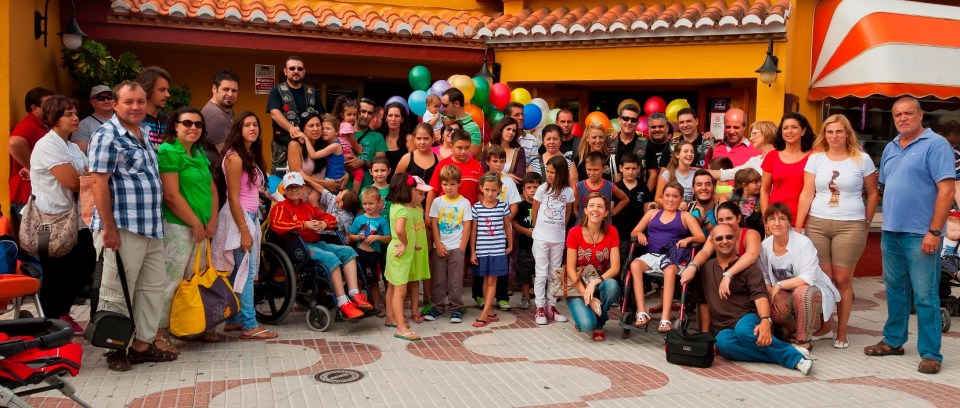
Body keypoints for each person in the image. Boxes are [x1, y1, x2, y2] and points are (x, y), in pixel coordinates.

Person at [88, 81, 176, 371]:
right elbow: (98, 183)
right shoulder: (107, 135)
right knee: (116, 290)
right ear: (115, 105)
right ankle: (115, 348)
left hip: (150, 226)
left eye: (140, 101)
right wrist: (108, 228)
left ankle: (142, 345)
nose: (136, 107)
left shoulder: (144, 133)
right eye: (129, 102)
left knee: (151, 289)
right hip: (122, 227)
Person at [866, 97, 955, 375]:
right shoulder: (891, 146)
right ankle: (894, 340)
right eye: (897, 115)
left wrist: (935, 231)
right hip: (891, 230)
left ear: (920, 115)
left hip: (921, 233)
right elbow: (885, 185)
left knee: (925, 294)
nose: (903, 118)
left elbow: (947, 191)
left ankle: (930, 353)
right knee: (895, 289)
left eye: (908, 113)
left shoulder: (936, 145)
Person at [795, 114, 879, 349]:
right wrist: (799, 226)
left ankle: (842, 331)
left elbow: (873, 193)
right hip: (818, 223)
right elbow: (806, 193)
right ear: (825, 134)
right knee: (823, 279)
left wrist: (867, 222)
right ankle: (825, 327)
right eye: (830, 132)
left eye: (839, 131)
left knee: (842, 280)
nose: (834, 136)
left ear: (847, 134)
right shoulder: (816, 158)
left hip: (850, 224)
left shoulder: (861, 159)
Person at [698, 223, 813, 375]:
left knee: (743, 330)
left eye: (729, 237)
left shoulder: (749, 267)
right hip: (725, 327)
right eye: (719, 238)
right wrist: (705, 334)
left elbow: (760, 297)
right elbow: (704, 303)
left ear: (736, 239)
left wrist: (765, 320)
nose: (724, 241)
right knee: (723, 344)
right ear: (712, 242)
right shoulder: (706, 268)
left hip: (749, 319)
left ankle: (797, 359)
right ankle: (787, 351)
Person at [30, 95, 95, 334]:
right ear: (53, 118)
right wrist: (87, 177)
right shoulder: (47, 145)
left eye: (75, 113)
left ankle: (61, 312)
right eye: (68, 114)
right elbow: (73, 182)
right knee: (55, 271)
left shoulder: (71, 146)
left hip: (76, 219)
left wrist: (85, 176)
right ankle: (50, 321)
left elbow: (86, 174)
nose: (75, 118)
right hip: (49, 220)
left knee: (84, 264)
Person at [157, 106, 220, 349]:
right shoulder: (168, 151)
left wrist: (212, 221)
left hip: (201, 228)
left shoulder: (198, 152)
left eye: (198, 124)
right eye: (187, 123)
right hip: (179, 227)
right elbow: (171, 195)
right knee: (171, 282)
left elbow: (211, 188)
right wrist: (195, 223)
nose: (193, 127)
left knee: (195, 279)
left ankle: (194, 326)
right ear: (175, 126)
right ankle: (160, 333)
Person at [270, 172, 373, 320]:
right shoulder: (280, 208)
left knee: (348, 251)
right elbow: (277, 225)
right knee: (330, 257)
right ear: (284, 190)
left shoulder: (308, 207)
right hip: (298, 247)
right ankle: (342, 302)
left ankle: (354, 293)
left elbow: (332, 219)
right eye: (290, 188)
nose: (293, 190)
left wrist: (324, 224)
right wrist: (304, 224)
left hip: (316, 244)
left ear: (303, 189)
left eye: (296, 187)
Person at [210, 111, 275, 341]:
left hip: (249, 216)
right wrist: (245, 231)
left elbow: (249, 189)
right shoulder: (235, 157)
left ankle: (233, 320)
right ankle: (249, 325)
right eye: (246, 125)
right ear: (238, 129)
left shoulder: (248, 155)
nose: (252, 128)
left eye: (255, 124)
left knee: (239, 271)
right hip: (240, 218)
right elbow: (233, 198)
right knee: (246, 274)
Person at [758, 203, 840, 352]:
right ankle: (794, 329)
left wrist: (779, 286)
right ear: (766, 224)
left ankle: (804, 340)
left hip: (813, 291)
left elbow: (809, 276)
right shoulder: (764, 246)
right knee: (774, 310)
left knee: (801, 292)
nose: (777, 223)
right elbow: (764, 276)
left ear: (789, 223)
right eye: (772, 219)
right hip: (784, 291)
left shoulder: (803, 243)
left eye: (782, 219)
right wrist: (772, 292)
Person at [629, 182, 705, 332]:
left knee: (669, 271)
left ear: (681, 199)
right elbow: (634, 232)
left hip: (673, 257)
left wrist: (688, 239)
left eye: (675, 196)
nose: (670, 199)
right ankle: (642, 312)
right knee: (635, 265)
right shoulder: (652, 213)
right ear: (662, 197)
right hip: (652, 255)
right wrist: (640, 234)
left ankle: (665, 319)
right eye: (667, 195)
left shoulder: (685, 216)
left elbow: (701, 237)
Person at [681, 201, 763, 332]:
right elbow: (705, 251)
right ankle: (705, 333)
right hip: (726, 283)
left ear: (738, 218)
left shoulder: (750, 233)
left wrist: (728, 274)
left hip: (749, 283)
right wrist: (693, 266)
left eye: (729, 218)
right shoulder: (717, 233)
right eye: (721, 220)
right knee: (702, 274)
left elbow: (751, 256)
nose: (725, 223)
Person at [565, 192, 622, 341]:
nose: (595, 210)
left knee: (612, 286)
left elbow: (615, 268)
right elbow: (570, 268)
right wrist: (587, 295)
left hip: (600, 284)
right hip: (578, 285)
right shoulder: (574, 232)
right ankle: (588, 315)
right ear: (585, 210)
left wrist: (595, 282)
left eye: (600, 206)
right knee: (586, 325)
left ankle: (599, 323)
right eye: (591, 206)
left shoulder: (612, 231)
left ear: (606, 212)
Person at [384, 173, 432, 341]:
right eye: (413, 189)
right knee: (400, 291)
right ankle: (401, 328)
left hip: (395, 251)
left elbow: (406, 231)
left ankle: (390, 317)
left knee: (392, 286)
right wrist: (405, 244)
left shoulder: (395, 206)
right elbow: (399, 230)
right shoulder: (403, 210)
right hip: (401, 255)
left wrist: (412, 244)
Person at [476, 145, 522, 311]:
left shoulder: (508, 181)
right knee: (482, 268)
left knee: (502, 266)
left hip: (502, 232)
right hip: (485, 233)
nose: (499, 164)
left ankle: (501, 297)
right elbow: (479, 201)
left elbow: (514, 204)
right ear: (487, 161)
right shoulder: (483, 180)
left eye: (502, 161)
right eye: (495, 161)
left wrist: (504, 220)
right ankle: (480, 296)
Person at [426, 165, 473, 323]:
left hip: (456, 248)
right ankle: (437, 307)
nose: (448, 187)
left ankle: (456, 308)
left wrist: (461, 248)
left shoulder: (464, 203)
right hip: (440, 247)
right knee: (439, 280)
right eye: (445, 184)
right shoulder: (437, 202)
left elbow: (467, 225)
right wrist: (438, 244)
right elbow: (434, 224)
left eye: (452, 184)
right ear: (441, 184)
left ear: (459, 183)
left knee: (455, 281)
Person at [531, 156, 574, 325]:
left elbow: (567, 214)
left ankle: (551, 306)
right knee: (541, 273)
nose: (549, 175)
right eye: (547, 171)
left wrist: (559, 230)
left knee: (554, 273)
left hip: (558, 238)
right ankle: (540, 307)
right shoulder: (542, 189)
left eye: (553, 172)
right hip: (541, 237)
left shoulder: (568, 192)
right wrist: (538, 229)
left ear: (561, 173)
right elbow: (535, 211)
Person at [470, 173, 513, 327]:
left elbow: (507, 227)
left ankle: (484, 315)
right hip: (482, 250)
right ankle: (489, 311)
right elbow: (473, 231)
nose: (490, 193)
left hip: (497, 250)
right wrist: (473, 252)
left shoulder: (503, 206)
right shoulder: (476, 208)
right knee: (485, 279)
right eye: (487, 190)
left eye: (494, 190)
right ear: (481, 188)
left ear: (499, 189)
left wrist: (510, 245)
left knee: (492, 280)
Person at [8, 87, 54, 229]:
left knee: (45, 238)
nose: (53, 108)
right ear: (34, 108)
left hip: (39, 195)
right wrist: (34, 169)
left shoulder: (44, 125)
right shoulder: (28, 125)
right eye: (48, 105)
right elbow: (14, 143)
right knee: (37, 239)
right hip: (27, 195)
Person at [266, 56, 323, 171]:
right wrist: (291, 128)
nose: (296, 71)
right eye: (292, 68)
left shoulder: (311, 92)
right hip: (283, 145)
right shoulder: (277, 91)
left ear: (304, 72)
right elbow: (274, 113)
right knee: (281, 177)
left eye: (299, 69)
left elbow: (321, 116)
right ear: (285, 71)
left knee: (310, 174)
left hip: (309, 145)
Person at [760, 112, 815, 218]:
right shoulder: (772, 156)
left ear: (803, 131)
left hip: (806, 219)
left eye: (794, 127)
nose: (789, 131)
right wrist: (766, 218)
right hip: (777, 219)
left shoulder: (813, 156)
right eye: (785, 128)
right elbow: (764, 191)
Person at [348, 186, 391, 315]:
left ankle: (376, 306)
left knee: (373, 282)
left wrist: (377, 237)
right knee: (357, 281)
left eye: (371, 203)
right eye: (365, 203)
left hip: (373, 256)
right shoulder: (359, 219)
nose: (367, 206)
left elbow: (388, 238)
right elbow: (351, 235)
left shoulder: (382, 221)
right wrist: (358, 237)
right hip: (360, 253)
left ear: (379, 203)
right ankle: (358, 306)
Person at [426, 130, 483, 217]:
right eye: (459, 148)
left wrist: (481, 214)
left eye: (467, 148)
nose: (463, 151)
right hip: (445, 216)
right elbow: (433, 191)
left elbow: (480, 192)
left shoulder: (477, 166)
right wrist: (428, 214)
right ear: (451, 147)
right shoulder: (442, 165)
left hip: (468, 216)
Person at [709, 121, 778, 187]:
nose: (751, 138)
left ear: (766, 133)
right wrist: (703, 171)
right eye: (751, 134)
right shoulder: (754, 161)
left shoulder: (782, 157)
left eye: (754, 133)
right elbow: (728, 173)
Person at [613, 152, 652, 267]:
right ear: (621, 168)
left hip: (637, 236)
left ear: (638, 169)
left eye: (634, 168)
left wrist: (643, 232)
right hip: (618, 235)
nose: (630, 172)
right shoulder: (615, 187)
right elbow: (611, 211)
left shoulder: (643, 188)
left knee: (634, 264)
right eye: (627, 168)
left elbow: (647, 214)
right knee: (619, 265)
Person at [513, 172, 542, 310]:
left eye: (536, 187)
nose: (532, 190)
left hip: (541, 245)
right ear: (523, 189)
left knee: (540, 273)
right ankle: (525, 297)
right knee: (524, 272)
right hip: (525, 245)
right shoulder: (521, 206)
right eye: (529, 187)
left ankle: (541, 298)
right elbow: (514, 223)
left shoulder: (544, 205)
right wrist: (526, 231)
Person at [297, 113, 347, 194]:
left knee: (313, 198)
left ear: (337, 131)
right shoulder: (325, 144)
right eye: (323, 128)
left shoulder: (335, 146)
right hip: (327, 179)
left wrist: (305, 138)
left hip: (333, 181)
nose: (324, 131)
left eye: (328, 128)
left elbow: (314, 155)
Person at [200, 69, 239, 171]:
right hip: (215, 176)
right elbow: (229, 156)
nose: (230, 94)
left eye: (234, 90)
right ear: (214, 89)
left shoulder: (225, 110)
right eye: (226, 89)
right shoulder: (216, 116)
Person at [575, 151, 628, 224]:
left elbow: (625, 199)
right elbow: (576, 209)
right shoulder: (579, 186)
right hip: (583, 226)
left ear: (604, 169)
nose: (592, 173)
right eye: (589, 169)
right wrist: (581, 221)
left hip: (604, 226)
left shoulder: (610, 186)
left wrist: (612, 213)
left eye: (596, 170)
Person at [348, 98, 387, 191]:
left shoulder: (378, 137)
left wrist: (362, 162)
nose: (366, 116)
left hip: (367, 193)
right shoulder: (342, 132)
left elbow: (381, 163)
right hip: (342, 189)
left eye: (369, 113)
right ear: (356, 112)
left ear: (373, 116)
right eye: (363, 111)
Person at [528, 124, 578, 192]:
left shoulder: (569, 162)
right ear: (543, 141)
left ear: (561, 140)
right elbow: (529, 188)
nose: (551, 142)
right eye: (548, 139)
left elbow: (574, 189)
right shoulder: (534, 163)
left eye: (555, 139)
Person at [331, 96, 364, 194]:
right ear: (342, 114)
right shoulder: (348, 126)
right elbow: (353, 143)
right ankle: (354, 195)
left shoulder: (339, 125)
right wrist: (360, 150)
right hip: (345, 152)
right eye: (349, 114)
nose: (352, 117)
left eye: (354, 114)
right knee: (359, 174)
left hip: (338, 153)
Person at [607, 103, 647, 180]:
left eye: (633, 120)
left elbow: (653, 173)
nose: (629, 122)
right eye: (626, 118)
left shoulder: (646, 144)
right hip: (611, 187)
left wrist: (646, 189)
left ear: (637, 123)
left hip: (639, 187)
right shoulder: (608, 142)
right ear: (619, 120)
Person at [136, 66, 172, 151]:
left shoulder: (168, 120)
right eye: (162, 90)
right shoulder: (134, 120)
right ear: (147, 89)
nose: (168, 95)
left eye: (167, 90)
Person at [482, 117, 526, 184]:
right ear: (501, 129)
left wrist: (496, 175)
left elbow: (520, 177)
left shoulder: (519, 151)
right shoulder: (488, 148)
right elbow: (483, 172)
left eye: (514, 131)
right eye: (508, 129)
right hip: (491, 188)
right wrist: (505, 176)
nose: (511, 132)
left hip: (512, 188)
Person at [441, 88, 482, 158]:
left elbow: (472, 156)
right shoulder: (444, 121)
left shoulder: (473, 127)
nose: (443, 109)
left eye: (445, 105)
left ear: (456, 104)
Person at [396, 123, 440, 190]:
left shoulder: (439, 160)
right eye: (419, 138)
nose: (422, 142)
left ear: (433, 139)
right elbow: (396, 182)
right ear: (414, 139)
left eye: (426, 138)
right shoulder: (406, 159)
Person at [73, 85, 114, 153]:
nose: (106, 101)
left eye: (109, 97)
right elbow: (79, 155)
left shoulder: (124, 120)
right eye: (101, 98)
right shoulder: (84, 125)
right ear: (92, 102)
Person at [656, 140, 695, 208]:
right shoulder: (668, 173)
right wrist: (676, 204)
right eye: (685, 151)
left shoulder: (696, 174)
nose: (690, 154)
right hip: (672, 212)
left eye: (692, 152)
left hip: (691, 212)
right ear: (677, 155)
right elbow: (657, 199)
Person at [382, 102, 414, 181]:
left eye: (397, 116)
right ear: (386, 118)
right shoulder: (380, 138)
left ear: (402, 119)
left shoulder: (409, 139)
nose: (393, 119)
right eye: (390, 115)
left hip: (402, 183)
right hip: (382, 182)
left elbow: (413, 165)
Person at [730, 168, 764, 236]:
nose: (760, 184)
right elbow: (721, 196)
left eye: (760, 181)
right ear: (745, 186)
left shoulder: (762, 198)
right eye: (755, 182)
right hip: (738, 234)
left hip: (757, 233)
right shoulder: (735, 196)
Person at [644, 112, 672, 192]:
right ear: (648, 129)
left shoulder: (675, 146)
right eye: (653, 127)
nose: (657, 129)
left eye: (661, 126)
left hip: (669, 194)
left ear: (667, 128)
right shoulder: (642, 146)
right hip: (646, 193)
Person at [688, 169, 721, 236]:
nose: (703, 188)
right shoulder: (686, 210)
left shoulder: (721, 211)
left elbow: (723, 238)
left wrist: (706, 221)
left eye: (708, 184)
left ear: (714, 188)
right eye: (699, 184)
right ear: (693, 189)